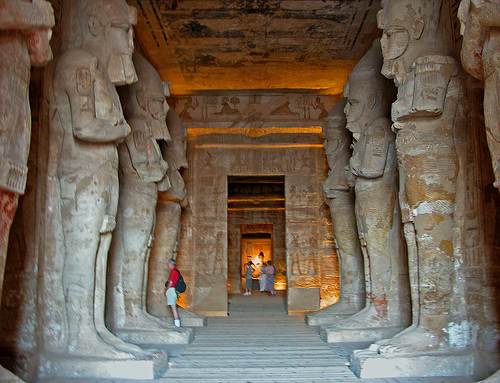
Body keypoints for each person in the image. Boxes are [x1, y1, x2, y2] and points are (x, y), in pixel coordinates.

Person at [166, 259, 181, 327]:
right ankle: (177, 323)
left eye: (168, 264)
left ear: (172, 264)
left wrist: (166, 289)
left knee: (173, 308)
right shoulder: (176, 271)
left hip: (171, 289)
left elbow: (171, 282)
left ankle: (177, 324)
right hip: (174, 290)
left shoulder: (173, 272)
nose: (168, 265)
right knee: (173, 307)